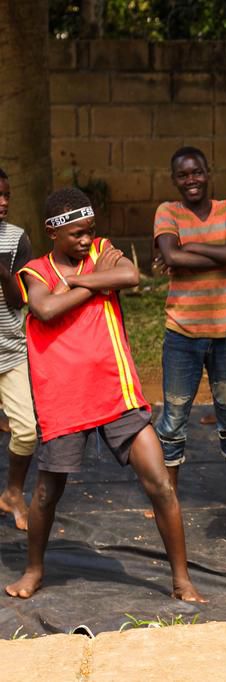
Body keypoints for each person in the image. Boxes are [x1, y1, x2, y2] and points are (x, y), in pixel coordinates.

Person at [7, 188, 203, 602]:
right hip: (63, 399)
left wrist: (77, 280)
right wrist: (97, 284)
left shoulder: (102, 249)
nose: (85, 240)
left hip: (116, 392)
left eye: (90, 232)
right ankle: (34, 569)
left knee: (161, 484)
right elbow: (44, 310)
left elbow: (129, 276)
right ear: (52, 232)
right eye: (77, 234)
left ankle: (182, 581)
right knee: (46, 492)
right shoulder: (34, 271)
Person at [152, 147, 226, 516]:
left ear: (208, 172)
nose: (191, 180)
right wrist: (221, 251)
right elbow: (171, 257)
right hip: (182, 334)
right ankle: (169, 495)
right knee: (174, 418)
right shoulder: (167, 212)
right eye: (183, 175)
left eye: (196, 172)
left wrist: (194, 246)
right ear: (175, 180)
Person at [0, 168, 37, 531]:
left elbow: (19, 301)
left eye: (7, 195)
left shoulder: (17, 239)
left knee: (26, 430)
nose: (3, 202)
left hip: (10, 351)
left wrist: (0, 268)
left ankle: (13, 492)